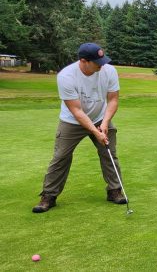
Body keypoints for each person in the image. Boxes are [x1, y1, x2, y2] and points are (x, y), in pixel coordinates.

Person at [32, 43, 127, 213]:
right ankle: (49, 196)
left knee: (109, 153)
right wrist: (94, 131)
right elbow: (76, 110)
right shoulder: (66, 76)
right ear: (84, 61)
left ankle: (114, 191)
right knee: (61, 156)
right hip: (72, 121)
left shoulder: (109, 71)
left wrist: (104, 123)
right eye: (97, 62)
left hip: (100, 117)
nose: (102, 64)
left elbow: (113, 100)